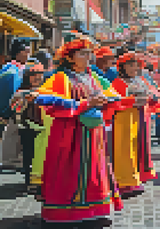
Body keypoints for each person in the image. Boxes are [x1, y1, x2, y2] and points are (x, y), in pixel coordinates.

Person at [34, 38, 124, 222]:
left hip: (92, 133)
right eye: (82, 53)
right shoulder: (61, 77)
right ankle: (67, 212)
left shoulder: (94, 76)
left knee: (93, 170)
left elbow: (113, 94)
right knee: (69, 170)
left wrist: (106, 100)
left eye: (89, 53)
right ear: (70, 57)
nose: (88, 57)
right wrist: (86, 103)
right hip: (69, 133)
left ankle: (94, 208)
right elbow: (48, 100)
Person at [111, 52, 156, 196]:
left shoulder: (140, 80)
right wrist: (132, 101)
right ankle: (124, 181)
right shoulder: (118, 82)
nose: (134, 68)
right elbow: (115, 102)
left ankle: (136, 177)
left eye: (136, 65)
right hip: (124, 119)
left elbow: (153, 93)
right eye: (130, 65)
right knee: (125, 149)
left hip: (140, 116)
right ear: (122, 67)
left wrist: (153, 97)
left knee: (138, 147)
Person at [11, 61, 45, 192]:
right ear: (27, 76)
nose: (37, 77)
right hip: (27, 128)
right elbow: (14, 107)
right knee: (28, 154)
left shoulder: (46, 90)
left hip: (43, 129)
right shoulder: (21, 91)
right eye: (34, 75)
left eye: (40, 74)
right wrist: (25, 99)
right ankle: (29, 180)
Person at [0, 39, 31, 171]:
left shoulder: (12, 68)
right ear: (19, 52)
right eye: (27, 51)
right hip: (8, 113)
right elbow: (9, 94)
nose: (29, 55)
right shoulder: (13, 71)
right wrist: (7, 113)